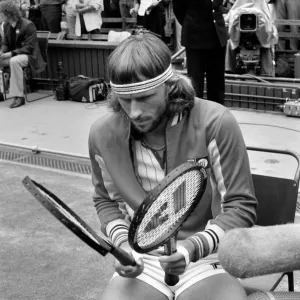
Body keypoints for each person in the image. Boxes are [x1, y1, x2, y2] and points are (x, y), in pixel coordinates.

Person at [88, 31, 258, 300]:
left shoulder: (215, 122)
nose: (134, 112)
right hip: (142, 256)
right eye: (124, 99)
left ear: (170, 85)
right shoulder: (102, 134)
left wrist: (191, 248)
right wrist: (123, 247)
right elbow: (107, 202)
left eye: (145, 97)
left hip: (205, 253)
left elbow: (240, 207)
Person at [173, 0, 228, 105]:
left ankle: (217, 115)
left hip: (216, 36)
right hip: (195, 38)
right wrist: (191, 23)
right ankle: (195, 116)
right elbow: (178, 8)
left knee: (217, 84)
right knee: (195, 84)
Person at [0, 0, 45, 108]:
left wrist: (12, 53)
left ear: (7, 14)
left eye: (0, 13)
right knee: (11, 59)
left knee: (14, 61)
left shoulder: (28, 25)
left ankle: (19, 97)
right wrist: (2, 51)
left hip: (30, 56)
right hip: (14, 54)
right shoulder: (6, 25)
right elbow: (5, 43)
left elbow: (29, 47)